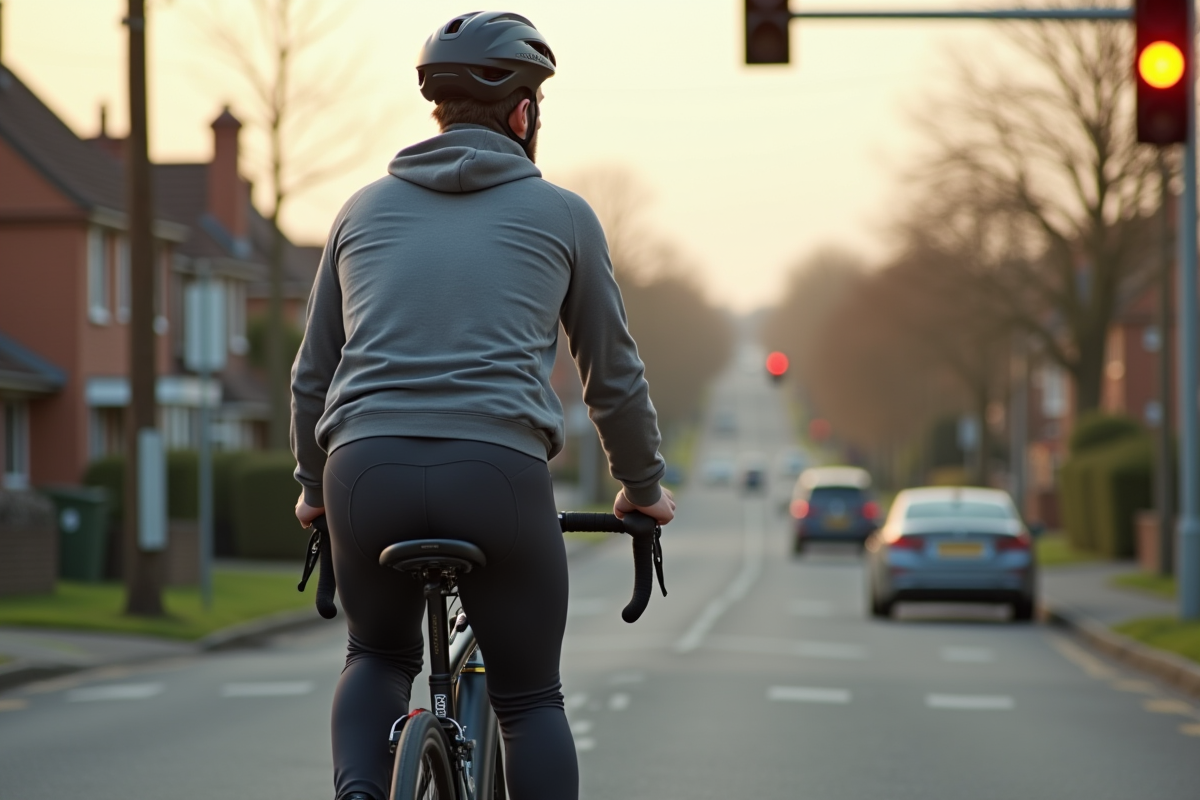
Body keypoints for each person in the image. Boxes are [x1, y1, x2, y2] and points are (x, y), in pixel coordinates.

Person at [289, 11, 674, 800]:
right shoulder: (565, 215)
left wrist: (309, 488)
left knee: (376, 658)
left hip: (363, 473)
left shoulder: (359, 211)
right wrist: (641, 488)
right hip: (496, 475)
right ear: (524, 113)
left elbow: (312, 375)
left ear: (437, 109)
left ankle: (362, 790)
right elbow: (612, 375)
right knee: (530, 699)